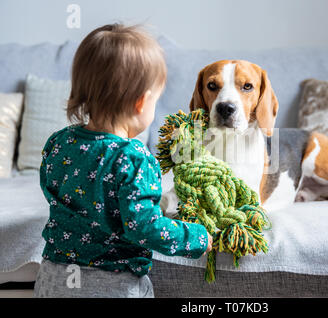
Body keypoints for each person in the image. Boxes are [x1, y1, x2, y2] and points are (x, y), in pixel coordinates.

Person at [33, 23, 213, 298]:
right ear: (141, 103)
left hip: (53, 279)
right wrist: (197, 238)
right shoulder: (134, 159)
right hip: (111, 285)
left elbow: (52, 191)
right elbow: (144, 228)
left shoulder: (58, 143)